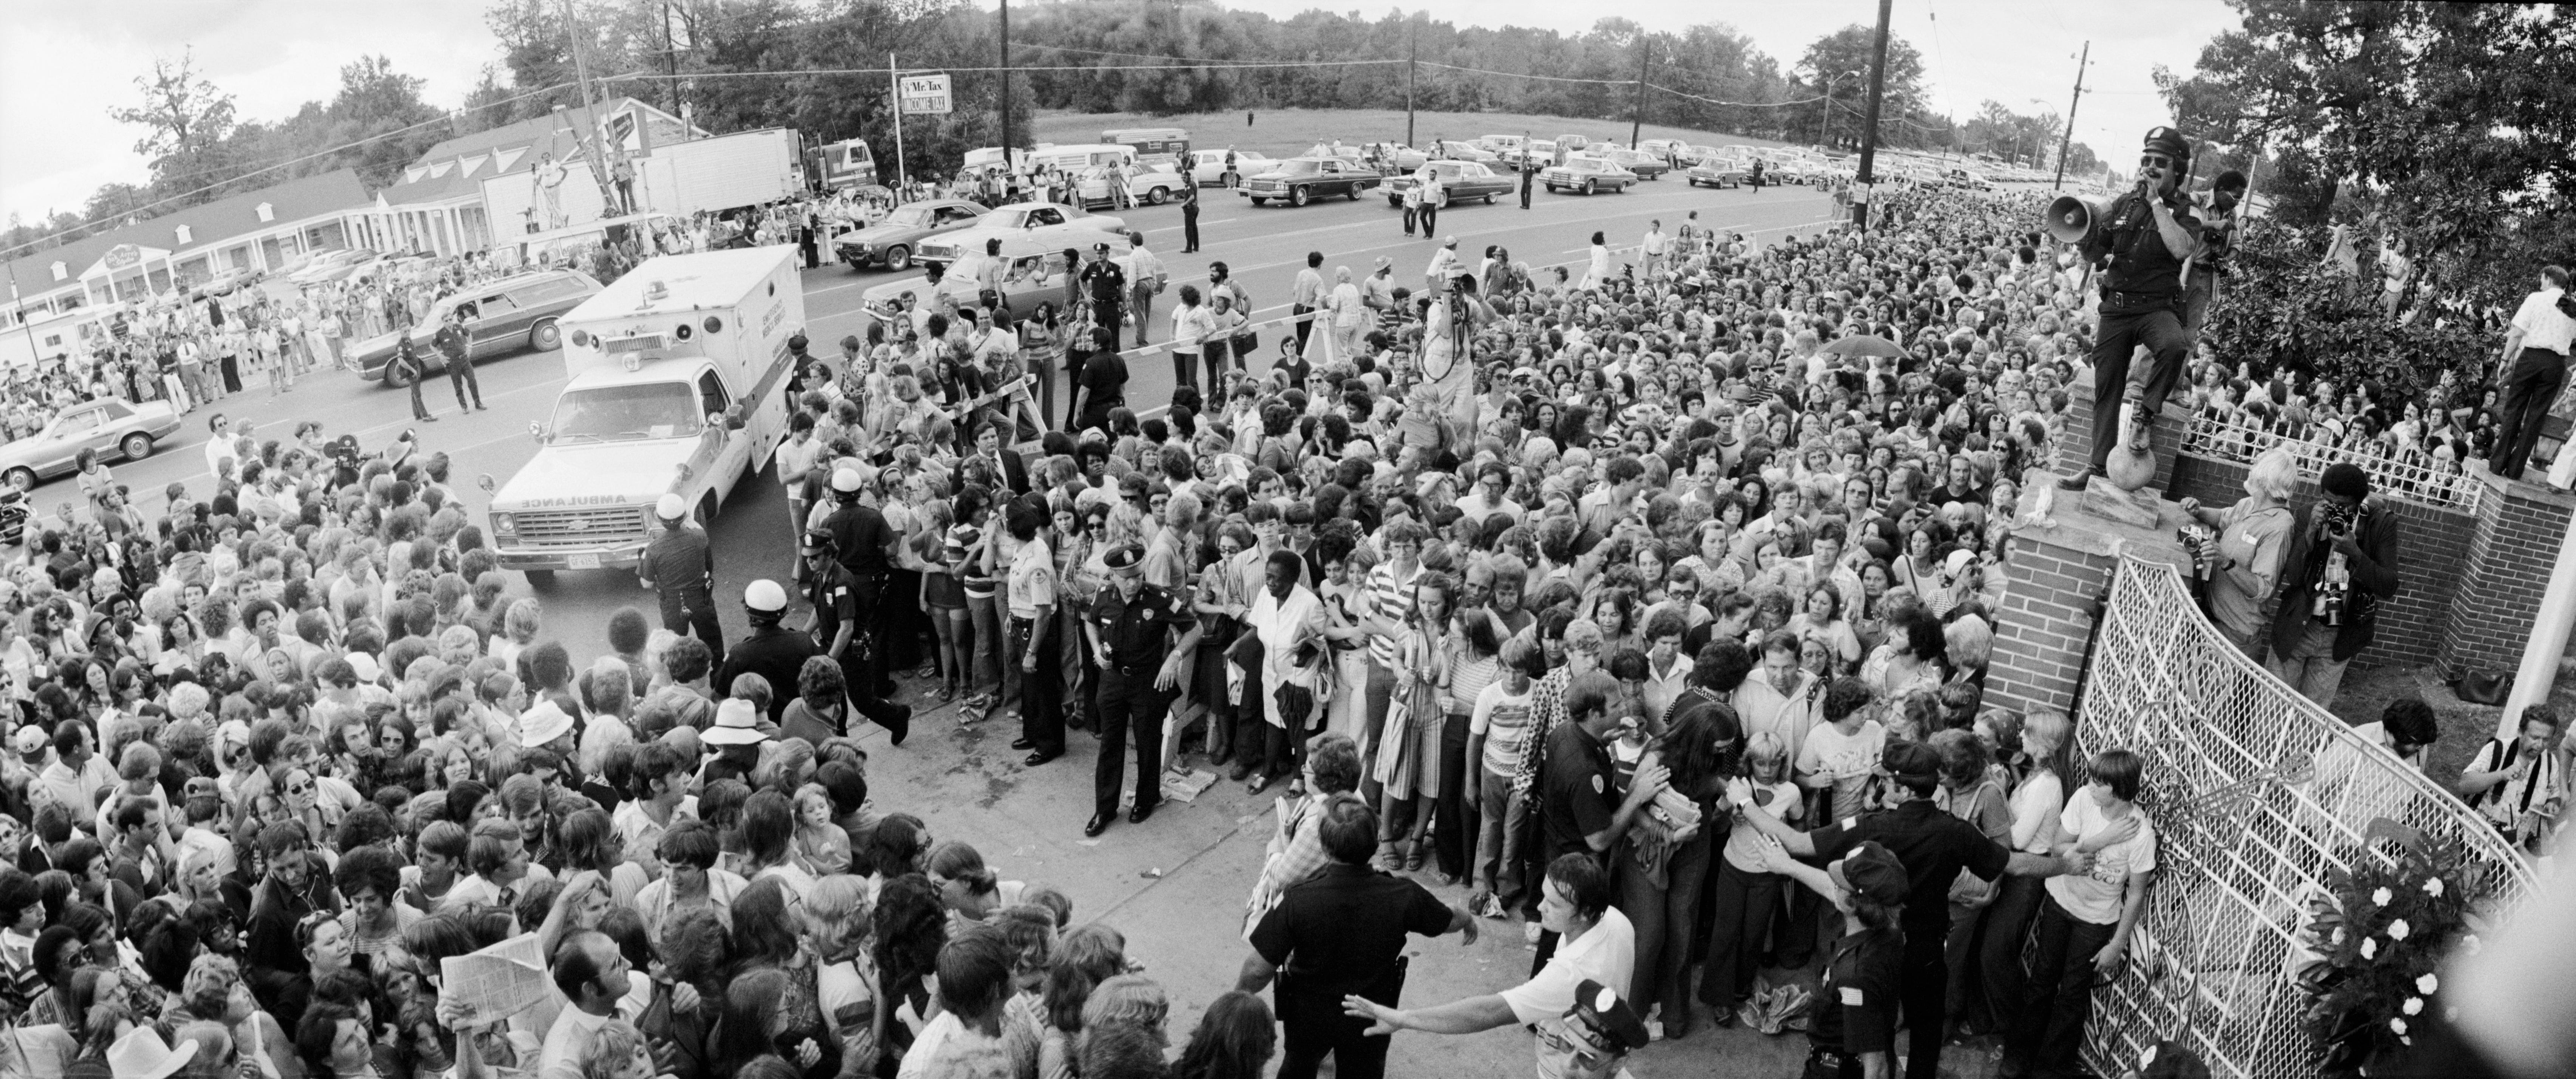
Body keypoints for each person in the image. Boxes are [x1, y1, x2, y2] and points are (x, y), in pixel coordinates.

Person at [1740, 741, 2089, 1079]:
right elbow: (2016, 865)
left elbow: (1798, 843)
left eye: (1887, 780)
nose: (1881, 785)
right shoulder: (1956, 832)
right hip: (1927, 951)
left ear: (1904, 790)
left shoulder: (1873, 826)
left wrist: (1745, 803)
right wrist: (2066, 866)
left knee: (1879, 1030)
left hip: (1877, 946)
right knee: (1926, 1031)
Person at [1237, 796, 1475, 1079]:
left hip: (1308, 1018)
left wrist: (1237, 997)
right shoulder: (1402, 895)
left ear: (1325, 848)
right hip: (1369, 1015)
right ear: (1375, 843)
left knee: (1297, 1069)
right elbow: (1447, 919)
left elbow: (1257, 969)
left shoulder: (1296, 901)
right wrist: (1468, 919)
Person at [1335, 854, 1633, 1079]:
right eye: (1544, 896)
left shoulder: (1570, 976)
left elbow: (1486, 1012)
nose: (1540, 907)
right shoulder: (1617, 922)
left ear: (1586, 913)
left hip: (1568, 1069)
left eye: (1555, 905)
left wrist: (1403, 1019)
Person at [2057, 127, 2206, 493]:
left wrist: (2157, 204)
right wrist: (2085, 238)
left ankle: (2146, 413)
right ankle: (2096, 467)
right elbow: (2099, 253)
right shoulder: (2125, 203)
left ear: (2178, 170)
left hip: (2156, 307)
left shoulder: (2189, 210)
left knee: (2173, 347)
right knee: (2108, 386)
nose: (2150, 168)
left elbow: (2182, 248)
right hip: (2118, 308)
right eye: (2147, 161)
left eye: (2160, 163)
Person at [2002, 749, 2158, 1079]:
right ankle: (2017, 1057)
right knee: (2042, 982)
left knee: (2072, 995)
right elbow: (2058, 848)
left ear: (2118, 789)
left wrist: (2116, 944)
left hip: (2096, 920)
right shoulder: (2084, 801)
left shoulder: (2142, 834)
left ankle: (2049, 1070)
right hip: (2061, 902)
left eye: (2098, 783)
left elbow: (2137, 894)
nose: (2088, 786)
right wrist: (2100, 840)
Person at [1752, 838, 1910, 1079]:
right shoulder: (1888, 926)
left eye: (1839, 884)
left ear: (1850, 904)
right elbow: (1838, 891)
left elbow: (1876, 1070)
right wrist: (1788, 865)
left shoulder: (1856, 978)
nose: (1832, 886)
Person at [1082, 544, 1200, 836]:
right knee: (1110, 744)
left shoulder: (1160, 599)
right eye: (1126, 578)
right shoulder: (1104, 595)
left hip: (1148, 682)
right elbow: (1090, 623)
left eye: (1137, 575)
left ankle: (1145, 800)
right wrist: (1097, 651)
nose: (1133, 582)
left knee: (1148, 744)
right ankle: (1105, 809)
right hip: (1112, 681)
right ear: (1113, 575)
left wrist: (1174, 658)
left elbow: (1195, 628)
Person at [2265, 462, 2402, 708]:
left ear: (2361, 501)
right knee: (2271, 706)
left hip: (2338, 634)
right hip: (2297, 625)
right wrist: (2309, 534)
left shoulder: (2379, 524)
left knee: (2313, 717)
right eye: (2329, 502)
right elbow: (2294, 577)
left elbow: (2389, 585)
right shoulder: (2309, 514)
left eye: (2343, 505)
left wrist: (2355, 553)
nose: (2335, 510)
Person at [2177, 444, 2296, 661]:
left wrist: (2225, 561)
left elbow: (2263, 589)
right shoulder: (2250, 504)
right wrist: (2199, 511)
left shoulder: (2280, 527)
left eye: (2256, 466)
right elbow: (2224, 517)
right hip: (2211, 617)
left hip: (2234, 633)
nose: (2251, 469)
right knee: (2191, 687)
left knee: (2211, 694)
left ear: (2264, 480)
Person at [2488, 264, 2576, 481]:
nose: (2540, 283)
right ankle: (2516, 469)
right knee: (2536, 416)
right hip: (2556, 363)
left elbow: (2517, 333)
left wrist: (2505, 360)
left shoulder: (2536, 299)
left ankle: (2498, 463)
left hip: (2532, 357)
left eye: (2542, 278)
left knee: (2514, 408)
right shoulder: (2572, 307)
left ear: (2548, 279)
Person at [640, 493, 726, 670]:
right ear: (684, 516)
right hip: (701, 601)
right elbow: (710, 565)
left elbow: (646, 583)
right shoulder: (699, 537)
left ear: (659, 518)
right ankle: (719, 676)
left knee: (676, 650)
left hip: (673, 606)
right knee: (713, 644)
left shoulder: (654, 549)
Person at [434, 308, 486, 413]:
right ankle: (464, 407)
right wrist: (440, 356)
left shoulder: (459, 327)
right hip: (453, 363)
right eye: (446, 321)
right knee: (458, 386)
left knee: (472, 381)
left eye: (450, 320)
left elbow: (469, 334)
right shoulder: (440, 334)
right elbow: (432, 346)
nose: (449, 322)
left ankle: (478, 403)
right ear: (443, 322)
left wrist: (470, 347)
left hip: (464, 360)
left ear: (453, 319)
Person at [1125, 232, 1165, 350]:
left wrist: (1128, 290)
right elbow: (1154, 272)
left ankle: (1142, 340)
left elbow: (1132, 275)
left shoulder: (1134, 255)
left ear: (1131, 243)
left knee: (1140, 313)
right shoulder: (1149, 254)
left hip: (1140, 284)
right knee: (1146, 312)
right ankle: (1144, 337)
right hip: (1149, 283)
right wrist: (1153, 285)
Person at [1181, 181, 1203, 254]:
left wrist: (1184, 204)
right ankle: (1196, 247)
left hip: (1190, 210)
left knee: (1189, 229)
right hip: (1195, 209)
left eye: (1184, 177)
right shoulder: (1194, 184)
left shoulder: (1190, 185)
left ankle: (1189, 248)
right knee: (1194, 228)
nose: (1183, 179)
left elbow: (1192, 197)